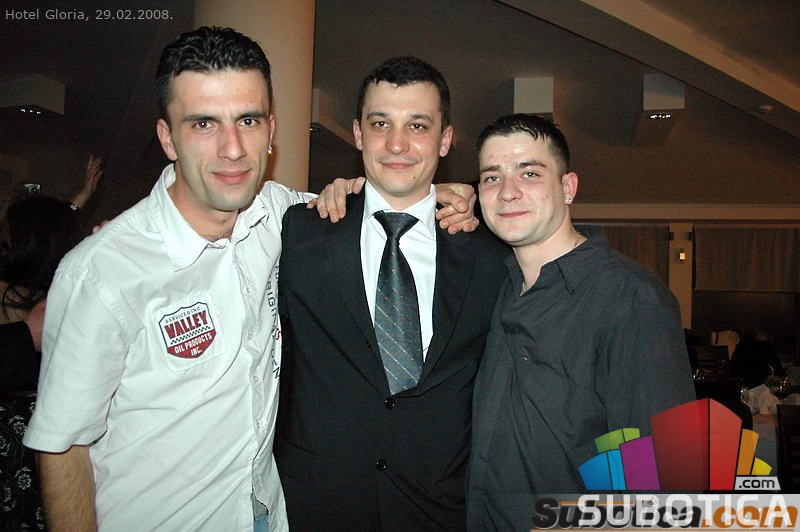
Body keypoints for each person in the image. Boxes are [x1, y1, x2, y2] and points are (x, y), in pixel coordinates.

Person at [22, 28, 474, 532]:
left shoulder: (281, 215)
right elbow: (61, 445)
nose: (233, 148)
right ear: (167, 138)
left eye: (248, 120)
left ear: (271, 129)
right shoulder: (103, 271)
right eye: (203, 124)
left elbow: (376, 205)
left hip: (270, 515)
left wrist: (436, 196)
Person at [275, 56, 509, 531]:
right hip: (317, 506)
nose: (397, 143)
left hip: (439, 510)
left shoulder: (490, 256)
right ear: (358, 134)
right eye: (380, 123)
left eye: (417, 126)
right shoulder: (299, 231)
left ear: (445, 139)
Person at [467, 114, 695, 529]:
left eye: (530, 173)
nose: (508, 192)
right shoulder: (496, 285)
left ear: (568, 187)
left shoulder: (630, 300)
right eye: (492, 177)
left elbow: (660, 481)